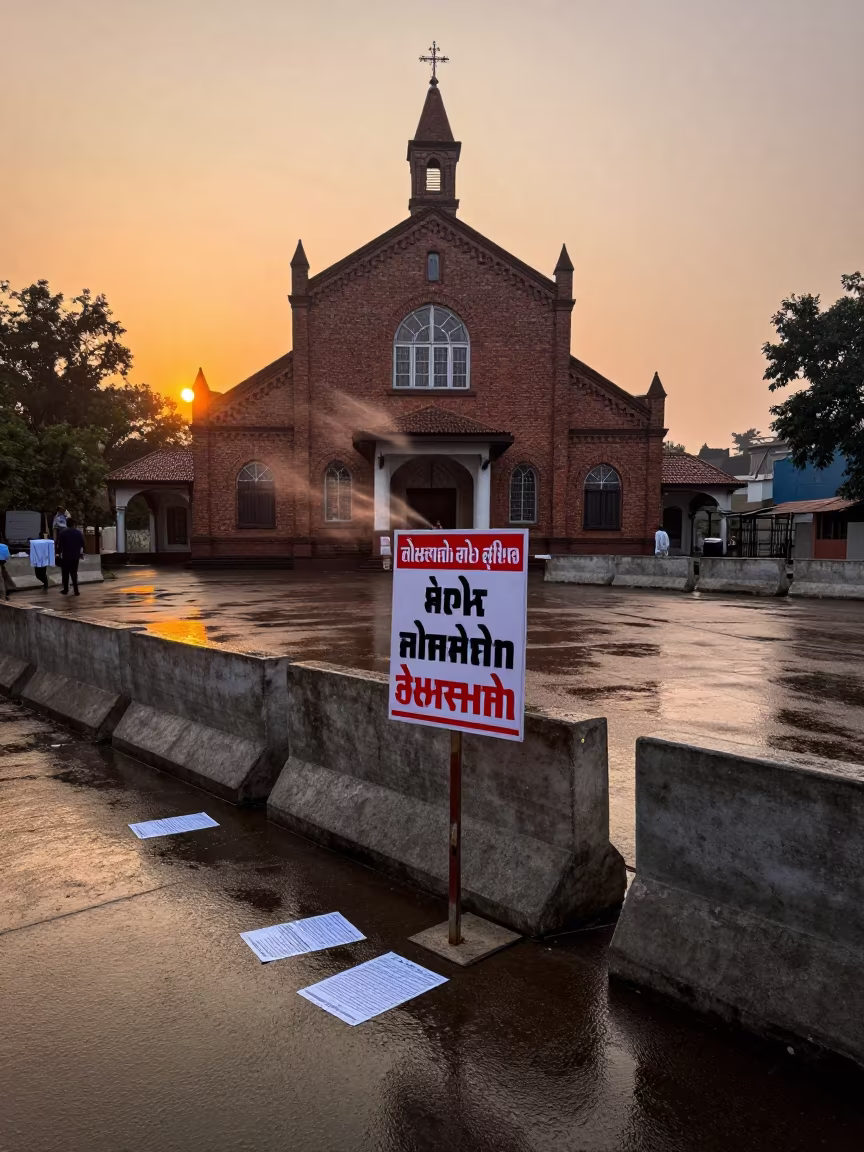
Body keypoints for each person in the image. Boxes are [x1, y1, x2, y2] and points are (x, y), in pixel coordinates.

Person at [57, 518, 85, 596]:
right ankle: (76, 590)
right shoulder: (78, 533)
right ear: (74, 524)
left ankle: (66, 590)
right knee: (74, 573)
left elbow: (59, 545)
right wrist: (81, 554)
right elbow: (83, 544)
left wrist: (58, 553)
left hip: (65, 556)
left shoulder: (63, 533)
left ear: (66, 524)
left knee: (65, 573)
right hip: (75, 556)